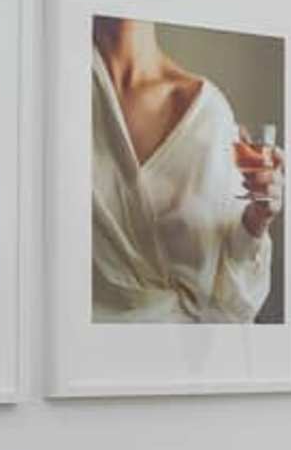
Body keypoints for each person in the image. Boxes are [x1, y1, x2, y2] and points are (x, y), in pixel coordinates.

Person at [87, 17, 278, 323]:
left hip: (187, 357)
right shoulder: (50, 101)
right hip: (78, 357)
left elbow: (233, 298)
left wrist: (256, 220)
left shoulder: (206, 113)